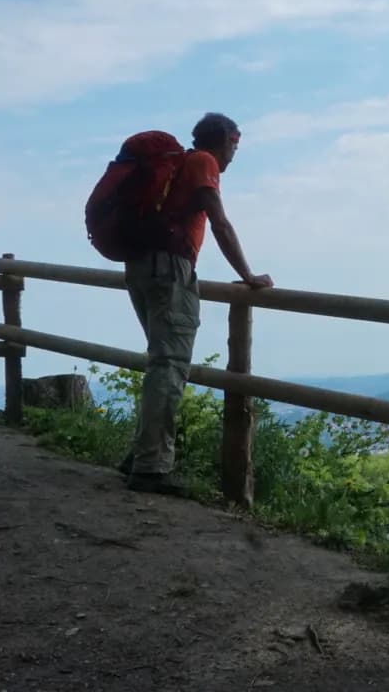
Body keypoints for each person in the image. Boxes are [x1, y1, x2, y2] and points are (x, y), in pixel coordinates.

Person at [121, 112, 273, 495]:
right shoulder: (203, 162)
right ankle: (151, 469)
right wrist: (250, 275)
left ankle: (141, 455)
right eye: (235, 146)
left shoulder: (178, 166)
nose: (234, 156)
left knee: (160, 361)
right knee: (170, 365)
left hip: (141, 265)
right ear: (225, 140)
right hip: (170, 268)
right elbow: (219, 222)